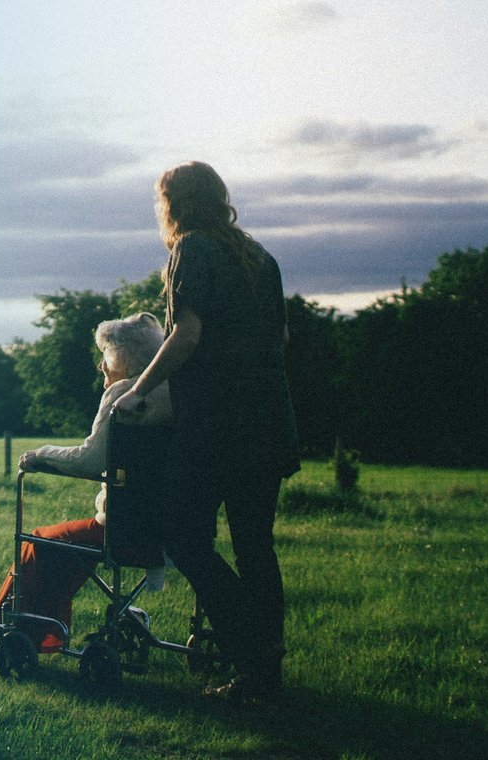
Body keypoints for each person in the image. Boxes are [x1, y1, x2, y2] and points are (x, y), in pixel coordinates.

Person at [113, 161, 300, 699]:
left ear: (173, 204)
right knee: (255, 547)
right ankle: (265, 670)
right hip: (269, 419)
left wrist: (138, 389)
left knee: (184, 537)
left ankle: (252, 650)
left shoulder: (191, 251)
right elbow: (280, 335)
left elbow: (186, 335)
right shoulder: (260, 257)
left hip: (220, 426)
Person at [0, 313, 172, 658]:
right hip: (170, 530)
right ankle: (41, 636)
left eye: (107, 354)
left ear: (126, 358)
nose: (101, 364)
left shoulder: (123, 395)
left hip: (124, 530)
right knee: (64, 546)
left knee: (40, 541)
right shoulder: (172, 394)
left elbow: (89, 461)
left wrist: (42, 454)